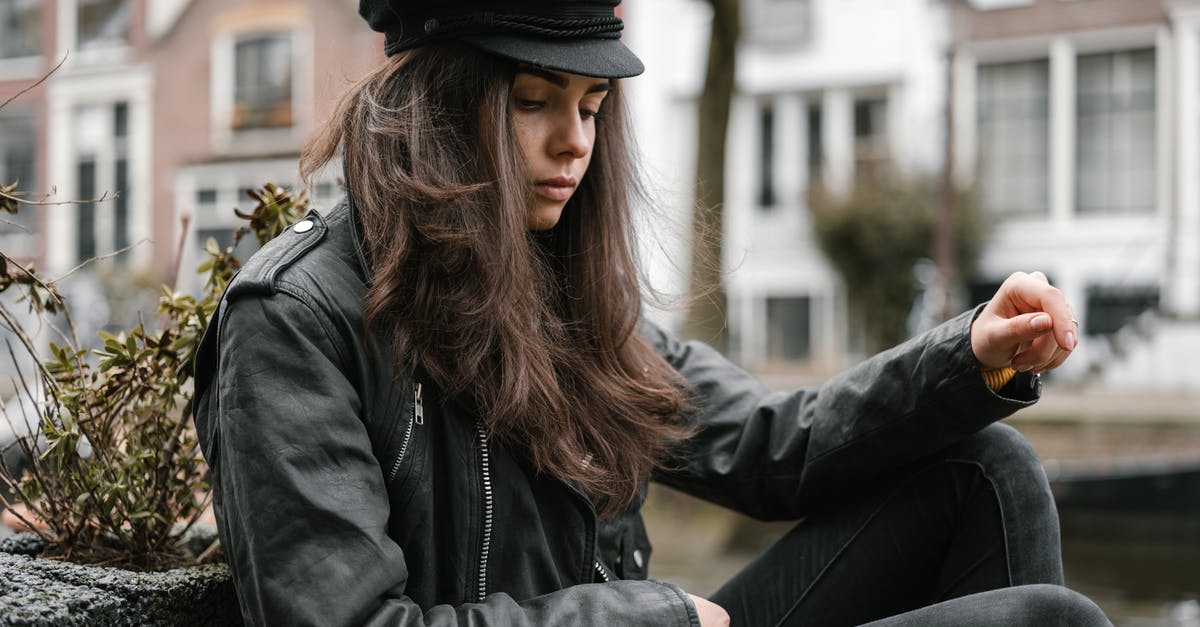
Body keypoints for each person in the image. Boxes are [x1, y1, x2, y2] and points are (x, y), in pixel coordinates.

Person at [191, 1, 1112, 625]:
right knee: (1051, 620)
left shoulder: (555, 287)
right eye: (534, 102)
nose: (576, 142)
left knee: (989, 471)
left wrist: (972, 356)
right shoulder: (295, 318)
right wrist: (649, 616)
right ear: (435, 109)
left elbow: (769, 443)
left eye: (593, 106)